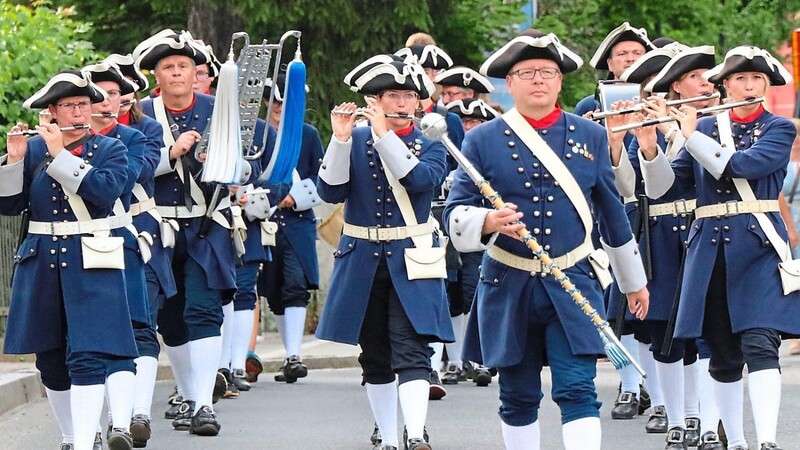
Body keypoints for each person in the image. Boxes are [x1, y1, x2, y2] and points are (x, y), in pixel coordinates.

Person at [443, 29, 649, 450]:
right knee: (517, 396)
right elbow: (455, 211)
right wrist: (486, 220)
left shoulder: (590, 135)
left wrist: (633, 282)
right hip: (508, 282)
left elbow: (611, 213)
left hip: (573, 282)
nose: (539, 79)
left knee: (578, 390)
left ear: (560, 81)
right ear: (511, 82)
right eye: (528, 72)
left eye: (548, 72)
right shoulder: (481, 138)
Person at [638, 44, 799, 450]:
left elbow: (740, 166)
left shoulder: (780, 129)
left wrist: (681, 132)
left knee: (760, 342)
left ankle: (767, 441)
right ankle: (737, 440)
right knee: (721, 351)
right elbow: (665, 189)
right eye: (740, 79)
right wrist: (649, 146)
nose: (749, 86)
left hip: (758, 246)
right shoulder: (706, 128)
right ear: (724, 85)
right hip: (709, 250)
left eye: (756, 80)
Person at [317, 54, 453, 450]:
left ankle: (415, 435)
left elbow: (419, 179)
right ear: (373, 101)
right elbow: (330, 192)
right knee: (374, 353)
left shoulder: (431, 140)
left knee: (412, 349)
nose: (401, 103)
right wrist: (340, 140)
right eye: (391, 95)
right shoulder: (354, 139)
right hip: (361, 257)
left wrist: (382, 136)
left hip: (412, 254)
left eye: (408, 96)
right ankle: (389, 438)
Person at [1, 70, 136, 450]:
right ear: (52, 112)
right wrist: (13, 161)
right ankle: (72, 436)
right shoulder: (34, 151)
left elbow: (105, 192)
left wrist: (60, 154)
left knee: (89, 355)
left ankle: (83, 443)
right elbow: (9, 206)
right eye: (69, 106)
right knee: (51, 360)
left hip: (93, 260)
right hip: (42, 263)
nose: (78, 112)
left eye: (83, 105)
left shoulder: (110, 149)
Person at [610, 44, 726, 449]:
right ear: (677, 85)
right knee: (665, 334)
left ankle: (706, 420)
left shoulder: (719, 122)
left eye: (709, 78)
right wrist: (632, 141)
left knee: (708, 332)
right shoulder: (652, 121)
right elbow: (636, 187)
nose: (706, 84)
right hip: (660, 234)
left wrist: (677, 130)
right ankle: (677, 418)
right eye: (696, 78)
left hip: (703, 231)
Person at [133, 29, 240, 437]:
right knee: (169, 318)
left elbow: (249, 166)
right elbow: (133, 167)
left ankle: (203, 405)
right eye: (168, 67)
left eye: (183, 66)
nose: (177, 73)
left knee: (204, 309)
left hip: (207, 222)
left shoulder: (220, 108)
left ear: (196, 73)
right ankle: (186, 390)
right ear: (156, 75)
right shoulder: (141, 114)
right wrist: (172, 152)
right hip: (156, 224)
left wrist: (227, 167)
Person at [82, 61, 150, 450]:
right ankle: (81, 429)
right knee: (75, 343)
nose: (107, 102)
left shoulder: (129, 139)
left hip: (116, 243)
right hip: (67, 251)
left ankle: (121, 423)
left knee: (126, 334)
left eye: (114, 95)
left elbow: (119, 184)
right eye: (98, 95)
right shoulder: (53, 140)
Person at [255, 73, 323, 383]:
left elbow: (320, 177)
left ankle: (294, 354)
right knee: (272, 290)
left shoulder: (307, 135)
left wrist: (296, 197)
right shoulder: (257, 135)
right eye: (275, 100)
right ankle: (287, 354)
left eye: (286, 101)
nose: (280, 106)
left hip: (297, 221)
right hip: (264, 220)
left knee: (295, 285)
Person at [574, 22, 654, 117]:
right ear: (610, 64)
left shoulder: (657, 101)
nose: (630, 59)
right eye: (622, 54)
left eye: (637, 53)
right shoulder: (588, 106)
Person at [781, 118, 800, 357]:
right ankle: (796, 336)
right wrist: (789, 228)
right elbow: (777, 195)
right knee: (795, 279)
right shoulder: (780, 161)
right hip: (791, 220)